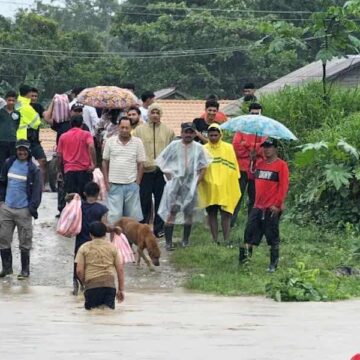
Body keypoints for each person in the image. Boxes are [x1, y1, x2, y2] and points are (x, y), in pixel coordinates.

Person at [156, 122, 212, 250]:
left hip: (190, 184)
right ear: (181, 133)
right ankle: (168, 243)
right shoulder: (174, 145)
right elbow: (162, 161)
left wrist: (196, 182)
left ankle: (185, 241)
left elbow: (204, 167)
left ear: (194, 133)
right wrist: (169, 178)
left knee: (189, 212)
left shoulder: (199, 148)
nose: (188, 134)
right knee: (172, 211)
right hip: (175, 184)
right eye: (186, 132)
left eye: (191, 132)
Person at [239, 138, 289, 272]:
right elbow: (251, 175)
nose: (266, 149)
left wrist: (277, 204)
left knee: (272, 236)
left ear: (275, 148)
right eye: (264, 147)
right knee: (248, 233)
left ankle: (273, 265)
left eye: (269, 146)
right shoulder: (260, 163)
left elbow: (283, 187)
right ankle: (244, 263)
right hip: (257, 205)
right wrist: (252, 160)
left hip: (271, 208)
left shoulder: (281, 165)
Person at [0, 139, 42, 279]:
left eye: (24, 150)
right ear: (16, 150)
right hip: (7, 208)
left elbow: (37, 190)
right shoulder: (8, 163)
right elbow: (2, 183)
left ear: (28, 151)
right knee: (3, 238)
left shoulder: (33, 168)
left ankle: (25, 271)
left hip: (24, 210)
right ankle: (7, 269)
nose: (22, 152)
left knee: (25, 241)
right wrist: (1, 201)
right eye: (19, 150)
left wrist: (32, 208)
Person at [133, 103, 175, 238]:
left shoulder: (168, 131)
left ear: (161, 114)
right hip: (145, 171)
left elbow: (171, 151)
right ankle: (142, 227)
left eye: (157, 112)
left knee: (161, 200)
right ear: (148, 114)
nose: (155, 115)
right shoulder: (139, 130)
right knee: (143, 200)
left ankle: (159, 228)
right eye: (153, 112)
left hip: (161, 171)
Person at [198, 123, 241, 246]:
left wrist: (229, 181)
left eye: (215, 135)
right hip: (210, 186)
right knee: (212, 213)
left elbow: (233, 168)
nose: (213, 137)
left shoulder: (228, 148)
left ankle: (227, 239)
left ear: (220, 134)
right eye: (211, 135)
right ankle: (215, 240)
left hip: (225, 186)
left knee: (226, 214)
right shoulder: (204, 148)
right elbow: (201, 167)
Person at [102, 116, 146, 223]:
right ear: (118, 127)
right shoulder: (110, 141)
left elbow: (141, 163)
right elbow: (104, 162)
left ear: (131, 128)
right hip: (114, 184)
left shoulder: (137, 142)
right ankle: (114, 240)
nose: (124, 130)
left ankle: (129, 240)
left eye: (127, 128)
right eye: (122, 127)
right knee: (113, 218)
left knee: (131, 218)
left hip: (131, 184)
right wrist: (106, 182)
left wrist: (138, 181)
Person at [71, 182, 110, 295]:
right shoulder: (102, 209)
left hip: (80, 242)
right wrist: (114, 229)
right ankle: (90, 287)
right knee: (93, 265)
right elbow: (105, 227)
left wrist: (75, 196)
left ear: (84, 193)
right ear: (98, 194)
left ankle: (76, 286)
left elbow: (67, 198)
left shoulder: (79, 206)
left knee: (78, 264)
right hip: (96, 244)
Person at [231, 103, 266, 227]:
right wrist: (254, 150)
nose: (255, 116)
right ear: (248, 113)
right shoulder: (241, 129)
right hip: (242, 168)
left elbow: (264, 150)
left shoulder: (264, 130)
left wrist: (247, 145)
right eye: (253, 113)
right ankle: (230, 222)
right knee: (237, 196)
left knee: (255, 198)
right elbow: (236, 147)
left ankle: (252, 223)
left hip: (258, 168)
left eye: (257, 113)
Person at [75, 221, 125, 310]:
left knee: (91, 316)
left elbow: (79, 271)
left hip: (92, 287)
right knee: (108, 315)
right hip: (109, 286)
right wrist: (121, 289)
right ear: (105, 234)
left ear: (90, 234)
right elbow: (120, 269)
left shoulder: (84, 248)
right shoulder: (112, 247)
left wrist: (85, 283)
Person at [16, 85, 47, 190]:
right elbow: (36, 122)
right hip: (26, 138)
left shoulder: (18, 103)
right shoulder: (25, 106)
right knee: (24, 163)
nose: (33, 97)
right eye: (32, 94)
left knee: (42, 160)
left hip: (28, 138)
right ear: (28, 94)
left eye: (35, 96)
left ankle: (41, 187)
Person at [57, 115, 96, 197]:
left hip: (69, 171)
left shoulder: (63, 137)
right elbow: (91, 147)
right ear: (82, 124)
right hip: (84, 171)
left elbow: (59, 156)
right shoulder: (86, 134)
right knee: (85, 197)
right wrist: (93, 164)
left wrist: (60, 171)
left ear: (70, 124)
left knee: (72, 198)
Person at [0, 91, 20, 170]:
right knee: (1, 162)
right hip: (1, 141)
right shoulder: (1, 112)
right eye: (9, 100)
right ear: (6, 100)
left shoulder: (17, 113)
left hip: (13, 141)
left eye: (13, 100)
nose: (11, 102)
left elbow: (17, 126)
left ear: (16, 101)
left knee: (11, 161)